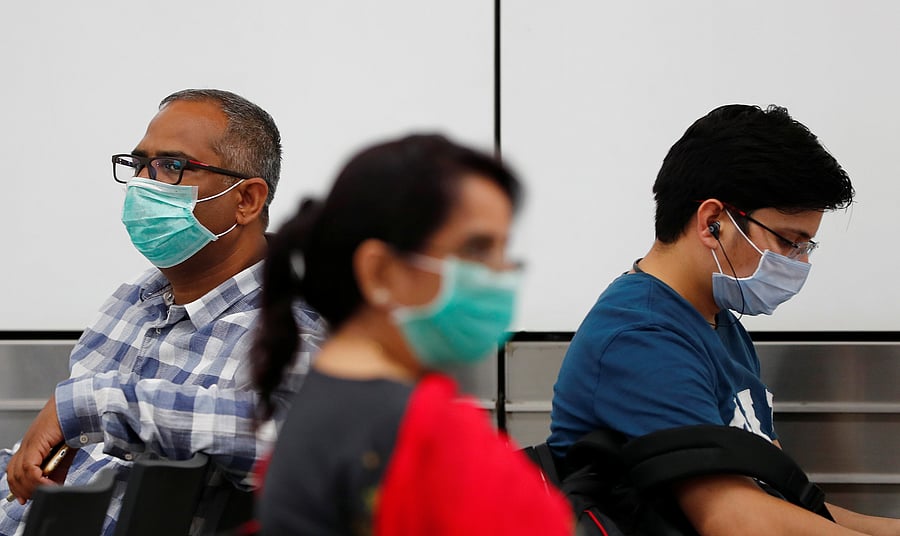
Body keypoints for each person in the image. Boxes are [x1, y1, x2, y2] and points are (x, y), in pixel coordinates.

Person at [547, 104, 900, 535]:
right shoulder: (640, 338)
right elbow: (736, 520)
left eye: (807, 246)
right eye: (790, 242)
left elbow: (780, 504)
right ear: (713, 222)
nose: (799, 261)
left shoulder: (715, 322)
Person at [0, 89, 323, 536]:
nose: (143, 184)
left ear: (246, 199)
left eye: (171, 166)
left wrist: (94, 403)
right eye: (139, 165)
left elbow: (280, 445)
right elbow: (52, 459)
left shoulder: (289, 330)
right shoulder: (133, 298)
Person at [252, 134, 574, 535]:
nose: (503, 275)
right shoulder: (424, 431)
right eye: (476, 249)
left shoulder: (327, 396)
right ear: (380, 272)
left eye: (503, 250)